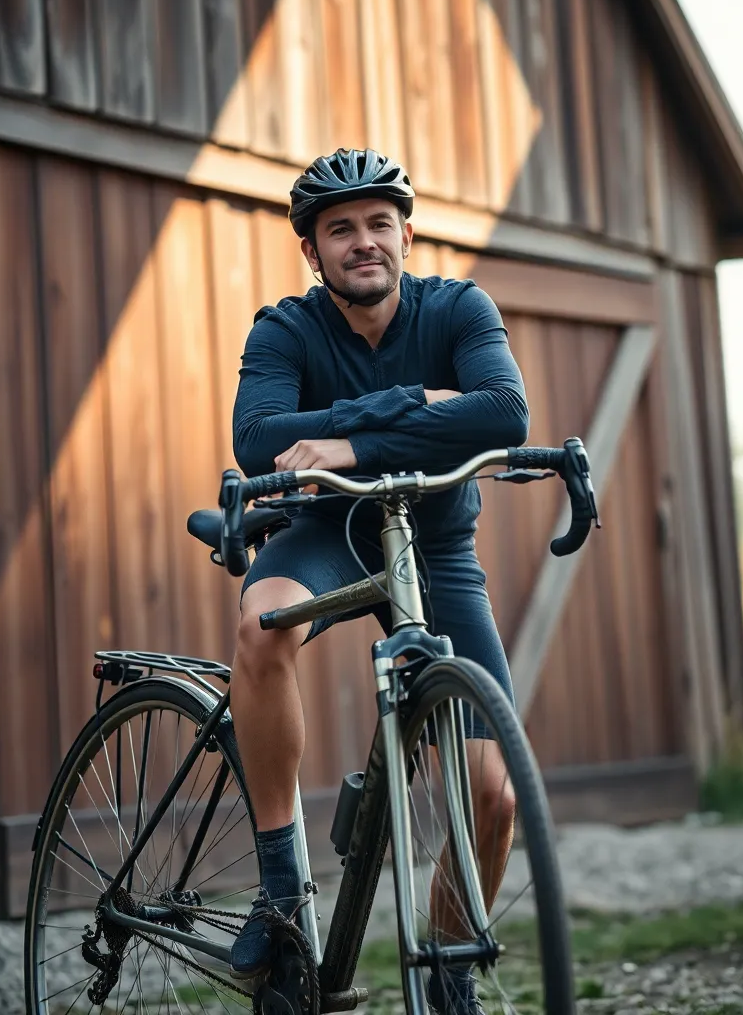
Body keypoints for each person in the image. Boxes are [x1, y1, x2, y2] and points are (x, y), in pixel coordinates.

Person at [229, 148, 529, 1014]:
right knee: (263, 624)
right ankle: (284, 887)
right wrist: (420, 406)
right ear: (313, 252)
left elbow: (505, 411)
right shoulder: (284, 327)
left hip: (435, 548)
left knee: (494, 792)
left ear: (405, 233)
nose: (363, 242)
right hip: (327, 533)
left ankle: (443, 969)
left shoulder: (460, 308)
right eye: (340, 230)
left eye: (377, 224)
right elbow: (260, 438)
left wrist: (352, 443)